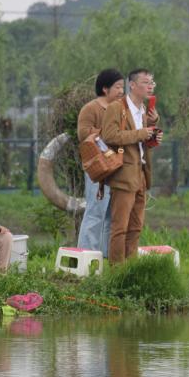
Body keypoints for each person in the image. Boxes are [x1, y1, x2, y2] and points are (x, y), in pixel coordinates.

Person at [100, 68, 163, 264]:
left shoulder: (144, 110)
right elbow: (109, 136)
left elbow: (140, 143)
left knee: (136, 227)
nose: (150, 86)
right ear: (133, 85)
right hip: (123, 174)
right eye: (145, 82)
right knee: (120, 227)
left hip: (141, 174)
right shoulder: (116, 108)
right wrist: (141, 134)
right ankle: (117, 272)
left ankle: (131, 268)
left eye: (152, 82)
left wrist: (152, 137)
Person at [76, 69, 125, 254]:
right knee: (95, 212)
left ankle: (105, 256)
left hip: (117, 166)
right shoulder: (91, 108)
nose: (121, 91)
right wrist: (109, 133)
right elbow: (83, 134)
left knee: (111, 215)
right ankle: (86, 255)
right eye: (117, 87)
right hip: (98, 168)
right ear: (105, 88)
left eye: (122, 87)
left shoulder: (121, 108)